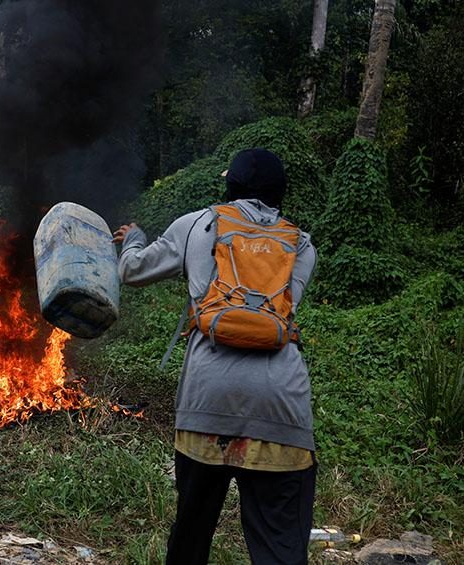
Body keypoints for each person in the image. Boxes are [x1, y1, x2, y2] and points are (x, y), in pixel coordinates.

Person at [113, 148, 318, 565]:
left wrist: (134, 237)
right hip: (281, 409)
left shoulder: (197, 224)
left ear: (231, 186)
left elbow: (132, 271)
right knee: (280, 546)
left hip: (206, 405)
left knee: (191, 534)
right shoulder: (301, 244)